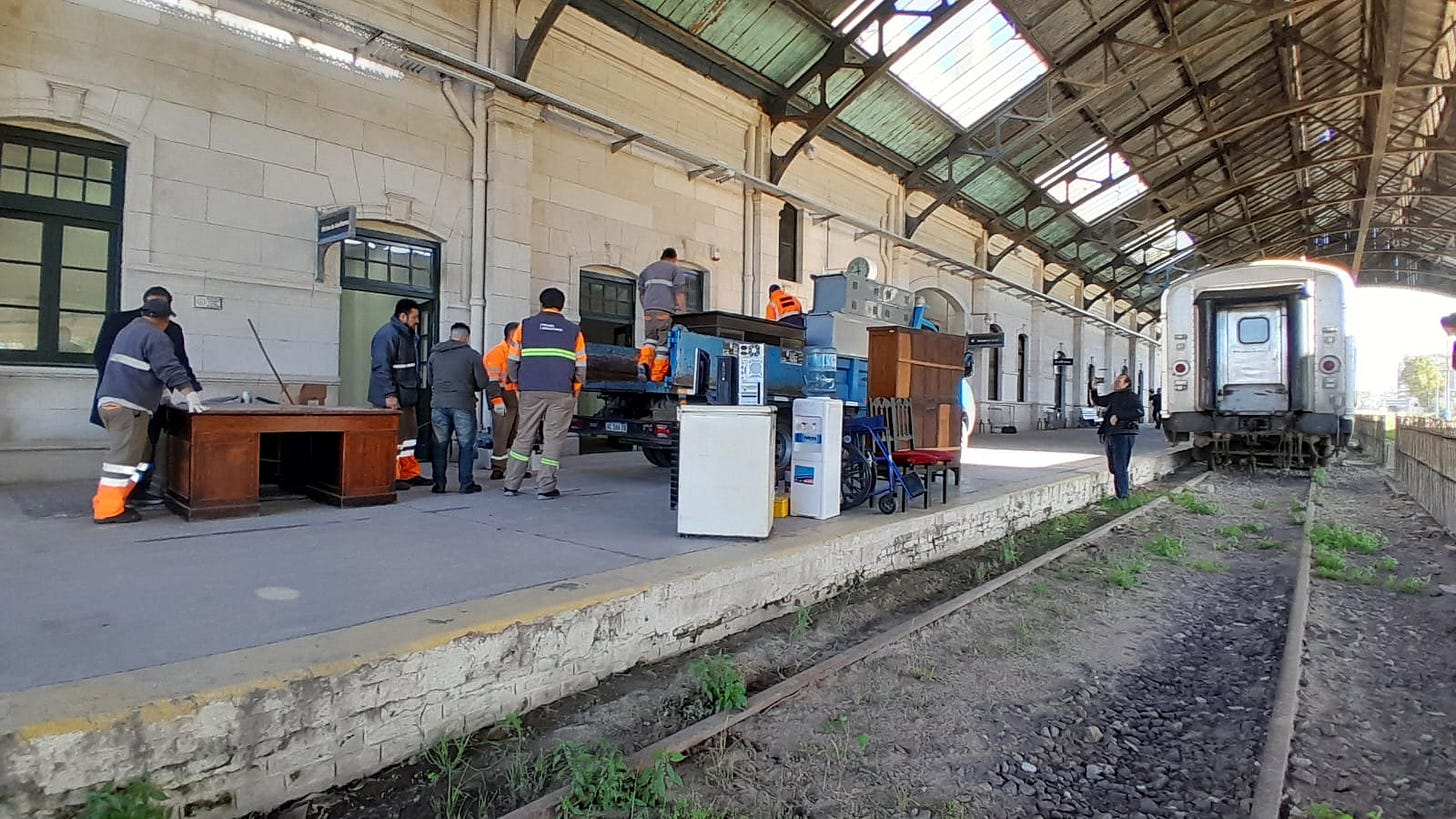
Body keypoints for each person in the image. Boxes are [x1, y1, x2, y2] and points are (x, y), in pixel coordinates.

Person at [92, 297, 206, 524]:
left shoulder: (127, 331)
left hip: (111, 403)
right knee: (122, 459)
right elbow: (169, 366)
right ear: (165, 320)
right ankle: (107, 509)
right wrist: (189, 393)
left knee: (141, 455)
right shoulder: (155, 336)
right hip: (129, 406)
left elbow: (140, 368)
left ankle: (118, 499)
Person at [502, 288, 586, 500]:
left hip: (530, 390)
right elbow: (581, 367)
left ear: (541, 304)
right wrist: (575, 390)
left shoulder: (525, 326)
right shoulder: (574, 331)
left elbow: (512, 361)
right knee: (553, 438)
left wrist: (518, 382)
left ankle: (511, 484)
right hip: (561, 391)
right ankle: (545, 487)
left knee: (524, 435)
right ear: (562, 306)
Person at [425, 323, 503, 495]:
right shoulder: (472, 355)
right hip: (463, 404)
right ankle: (466, 484)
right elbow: (482, 383)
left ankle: (439, 484)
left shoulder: (434, 355)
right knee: (466, 445)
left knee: (440, 445)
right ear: (466, 338)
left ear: (451, 335)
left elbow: (430, 381)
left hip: (438, 405)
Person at [370, 298, 431, 491]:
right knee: (395, 440)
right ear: (402, 316)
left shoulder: (407, 335)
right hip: (394, 397)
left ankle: (409, 473)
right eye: (414, 317)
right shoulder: (387, 335)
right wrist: (389, 395)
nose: (417, 321)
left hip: (406, 396)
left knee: (409, 438)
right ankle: (392, 476)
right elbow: (381, 367)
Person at [1089, 373, 1144, 499]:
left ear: (1127, 384)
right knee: (1113, 467)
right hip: (1111, 433)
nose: (1116, 383)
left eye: (1119, 381)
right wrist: (1094, 389)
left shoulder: (1132, 397)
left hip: (1124, 433)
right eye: (1116, 381)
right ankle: (1120, 493)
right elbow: (1099, 401)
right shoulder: (1114, 396)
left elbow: (1139, 412)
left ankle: (1123, 496)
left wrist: (1119, 416)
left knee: (1120, 466)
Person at [636, 247, 685, 382]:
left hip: (648, 311)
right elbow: (679, 293)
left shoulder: (647, 270)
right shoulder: (675, 270)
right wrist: (682, 311)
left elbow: (641, 294)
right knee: (663, 344)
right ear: (674, 258)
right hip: (665, 311)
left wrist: (647, 308)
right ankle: (656, 376)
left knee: (650, 340)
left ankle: (643, 363)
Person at [483, 322, 519, 480]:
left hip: (516, 396)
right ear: (512, 335)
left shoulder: (518, 352)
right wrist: (497, 401)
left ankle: (516, 468)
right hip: (502, 396)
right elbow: (491, 380)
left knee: (517, 434)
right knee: (501, 435)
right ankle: (498, 468)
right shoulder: (496, 353)